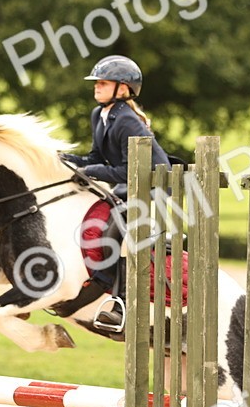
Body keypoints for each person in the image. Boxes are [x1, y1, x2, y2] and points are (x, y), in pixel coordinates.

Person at [62, 56, 171, 332]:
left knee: (118, 229)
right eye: (96, 83)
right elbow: (95, 157)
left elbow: (128, 169)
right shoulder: (99, 115)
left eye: (102, 83)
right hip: (129, 185)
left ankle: (120, 303)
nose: (96, 88)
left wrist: (93, 170)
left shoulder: (127, 121)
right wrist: (64, 159)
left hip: (152, 187)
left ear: (122, 89)